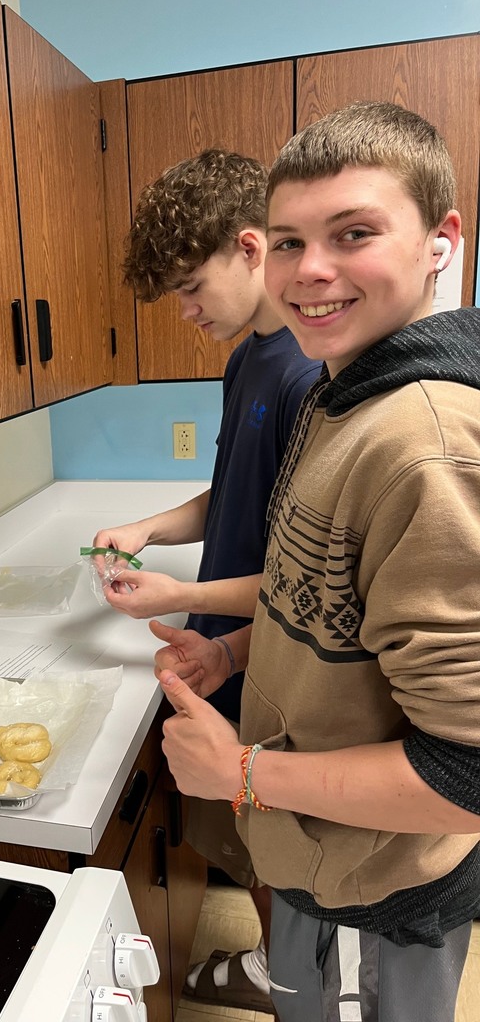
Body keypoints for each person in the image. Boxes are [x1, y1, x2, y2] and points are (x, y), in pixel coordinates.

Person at [156, 101, 480, 1022]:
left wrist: (244, 776)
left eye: (355, 233)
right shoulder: (343, 394)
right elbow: (320, 599)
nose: (313, 271)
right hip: (315, 848)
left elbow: (467, 774)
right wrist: (233, 653)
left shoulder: (424, 445)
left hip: (389, 877)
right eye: (292, 242)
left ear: (439, 241)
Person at [92, 148, 321, 1013]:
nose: (185, 311)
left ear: (252, 247)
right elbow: (229, 490)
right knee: (244, 838)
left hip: (271, 657)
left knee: (272, 848)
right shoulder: (246, 359)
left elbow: (304, 584)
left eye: (192, 287)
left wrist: (168, 596)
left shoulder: (305, 376)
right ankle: (270, 962)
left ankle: (284, 978)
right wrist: (149, 529)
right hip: (224, 647)